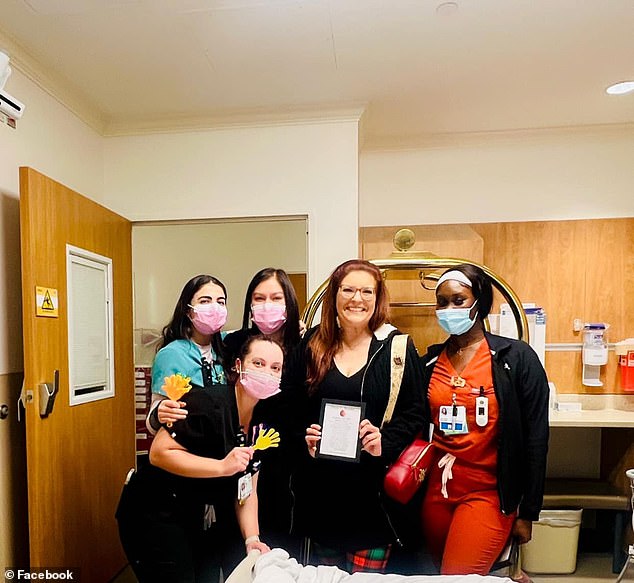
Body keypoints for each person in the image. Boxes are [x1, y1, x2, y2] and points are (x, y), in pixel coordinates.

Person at [287, 259, 426, 573]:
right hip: (321, 498)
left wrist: (384, 441)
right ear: (334, 296)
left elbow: (416, 412)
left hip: (372, 502)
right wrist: (303, 438)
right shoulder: (310, 345)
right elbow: (289, 406)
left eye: (367, 291)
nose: (357, 299)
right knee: (325, 580)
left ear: (377, 299)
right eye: (348, 290)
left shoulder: (397, 350)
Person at [116, 335, 283, 582]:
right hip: (154, 511)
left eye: (275, 368)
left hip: (192, 514)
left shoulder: (263, 421)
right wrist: (221, 467)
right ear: (238, 366)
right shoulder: (208, 403)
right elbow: (159, 452)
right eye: (258, 363)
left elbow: (247, 489)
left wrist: (252, 539)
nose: (266, 372)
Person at [418, 264, 549, 576]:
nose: (448, 309)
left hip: (487, 492)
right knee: (440, 572)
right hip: (437, 491)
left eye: (458, 300)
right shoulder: (429, 361)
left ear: (480, 303)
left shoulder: (515, 359)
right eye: (442, 302)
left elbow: (536, 439)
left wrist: (528, 511)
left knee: (456, 577)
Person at [223, 267, 304, 554]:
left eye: (275, 297)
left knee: (279, 550)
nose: (267, 305)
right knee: (238, 545)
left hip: (287, 464)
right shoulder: (234, 343)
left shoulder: (304, 346)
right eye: (259, 298)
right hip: (235, 455)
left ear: (289, 303)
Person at [146, 274, 228, 433]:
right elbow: (152, 424)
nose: (214, 307)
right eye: (205, 301)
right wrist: (160, 413)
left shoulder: (226, 348)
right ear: (188, 311)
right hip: (189, 444)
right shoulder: (172, 355)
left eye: (221, 302)